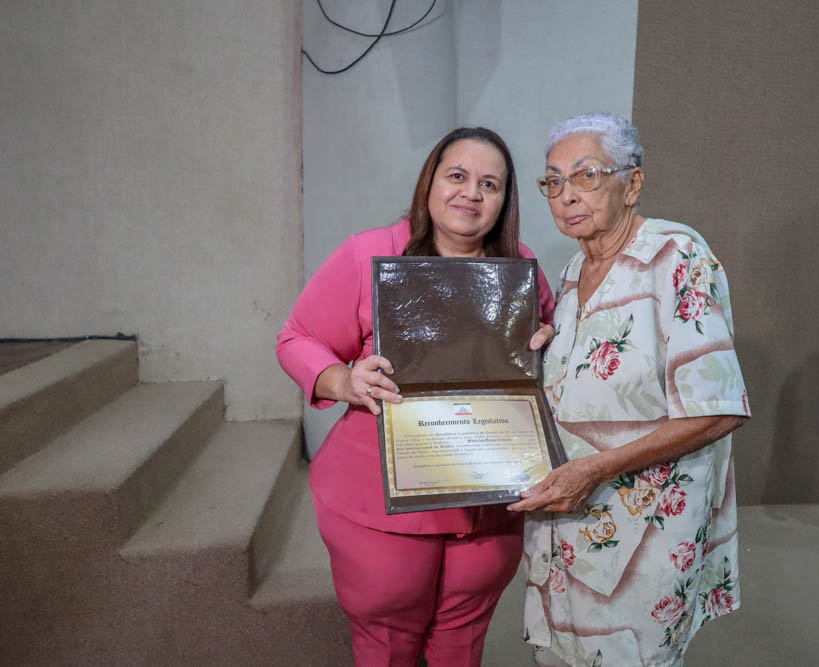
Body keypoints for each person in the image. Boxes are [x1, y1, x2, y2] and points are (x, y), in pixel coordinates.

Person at [276, 127, 556, 666]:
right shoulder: (368, 254)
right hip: (381, 498)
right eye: (457, 176)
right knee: (388, 642)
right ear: (430, 182)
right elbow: (297, 339)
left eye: (489, 184)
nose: (471, 193)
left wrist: (550, 340)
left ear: (505, 199)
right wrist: (344, 381)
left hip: (488, 497)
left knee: (463, 639)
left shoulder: (519, 266)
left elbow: (552, 341)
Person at [508, 113, 750, 667]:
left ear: (632, 183)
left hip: (644, 531)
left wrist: (593, 471)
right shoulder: (573, 272)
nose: (567, 195)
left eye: (587, 175)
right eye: (553, 181)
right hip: (568, 520)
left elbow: (718, 410)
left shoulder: (675, 255)